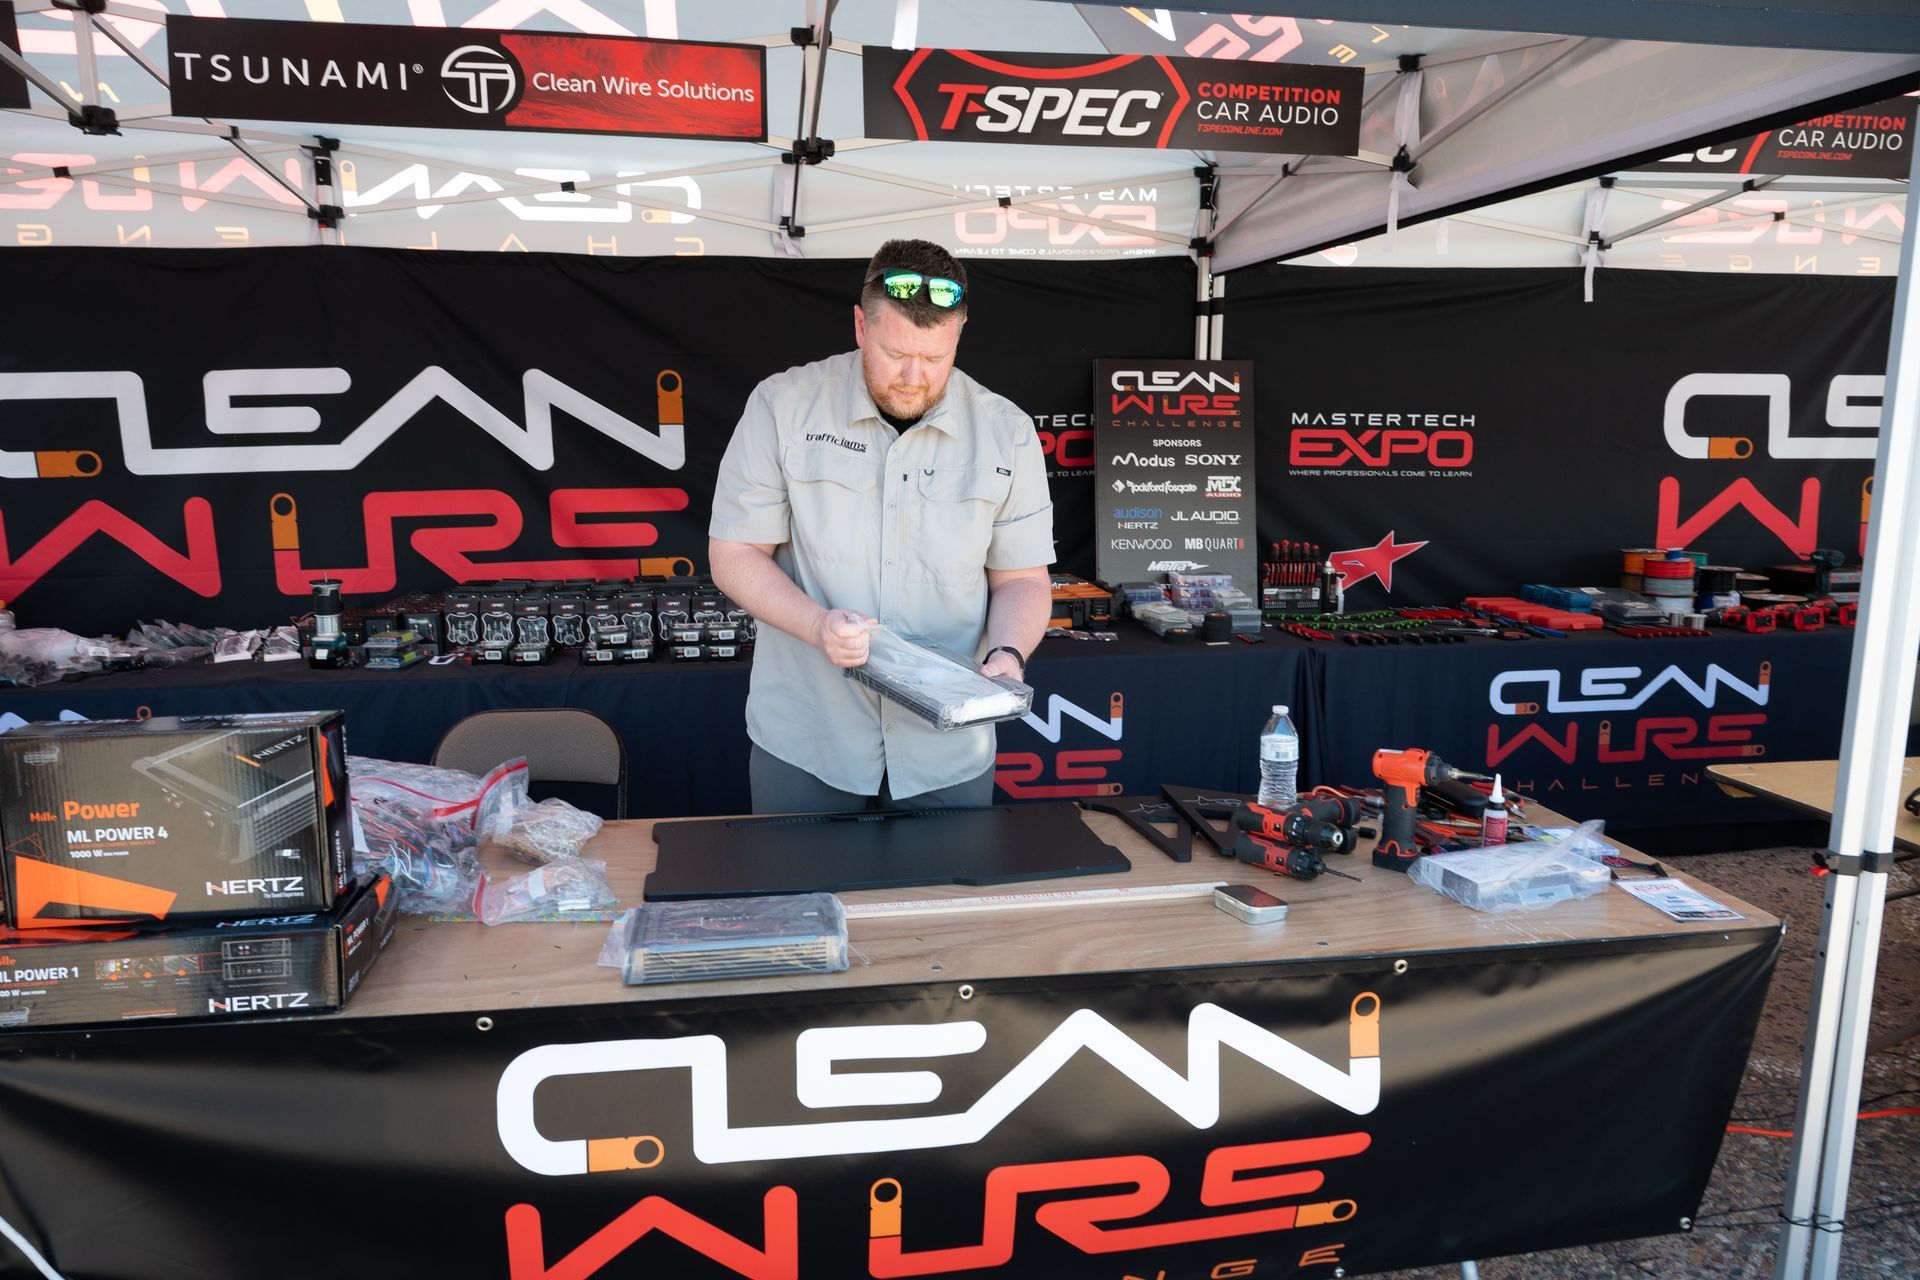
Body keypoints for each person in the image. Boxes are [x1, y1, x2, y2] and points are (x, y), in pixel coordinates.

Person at [709, 239, 1055, 814]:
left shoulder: (1007, 431)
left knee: (941, 903)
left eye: (936, 357)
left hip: (948, 749)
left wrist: (1009, 656)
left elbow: (1023, 579)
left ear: (960, 332)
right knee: (802, 901)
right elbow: (736, 552)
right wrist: (817, 624)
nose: (914, 377)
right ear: (859, 326)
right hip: (809, 736)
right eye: (896, 353)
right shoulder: (782, 405)